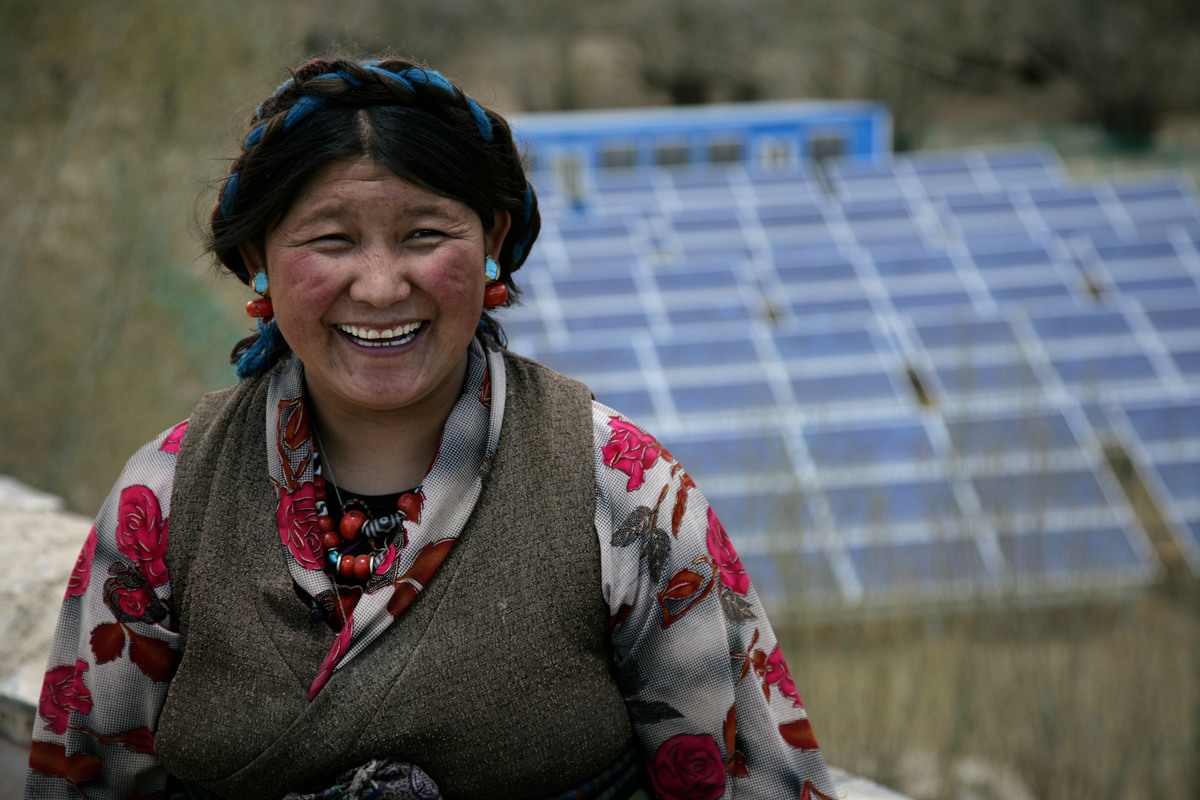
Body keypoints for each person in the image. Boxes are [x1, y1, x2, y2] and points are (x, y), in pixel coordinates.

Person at [25, 56, 839, 800]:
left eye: (424, 235)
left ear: (493, 242)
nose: (380, 288)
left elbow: (753, 780)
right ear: (258, 261)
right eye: (331, 240)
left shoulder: (623, 489)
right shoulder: (166, 498)